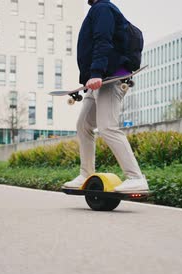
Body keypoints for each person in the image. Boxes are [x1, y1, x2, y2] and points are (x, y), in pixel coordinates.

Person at [63, 0, 149, 193]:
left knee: (107, 127)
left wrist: (95, 72)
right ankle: (86, 173)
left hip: (112, 77)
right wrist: (91, 78)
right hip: (99, 80)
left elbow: (104, 41)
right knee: (83, 125)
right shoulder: (96, 10)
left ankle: (136, 177)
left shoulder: (103, 8)